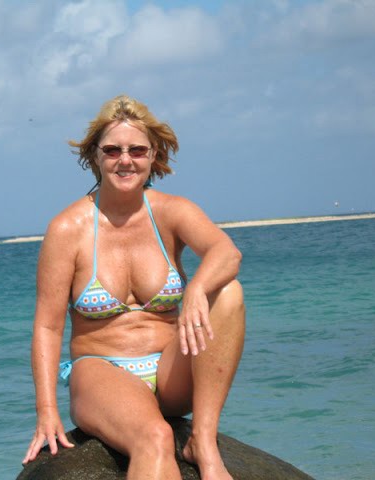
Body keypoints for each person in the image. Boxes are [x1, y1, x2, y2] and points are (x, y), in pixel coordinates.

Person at [22, 95, 245, 480]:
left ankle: (203, 441)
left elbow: (226, 252)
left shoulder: (172, 212)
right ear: (95, 156)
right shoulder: (68, 229)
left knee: (227, 293)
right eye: (112, 150)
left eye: (137, 150)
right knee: (155, 437)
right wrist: (47, 411)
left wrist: (196, 289)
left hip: (172, 372)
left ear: (153, 154)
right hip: (101, 370)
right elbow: (47, 326)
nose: (125, 160)